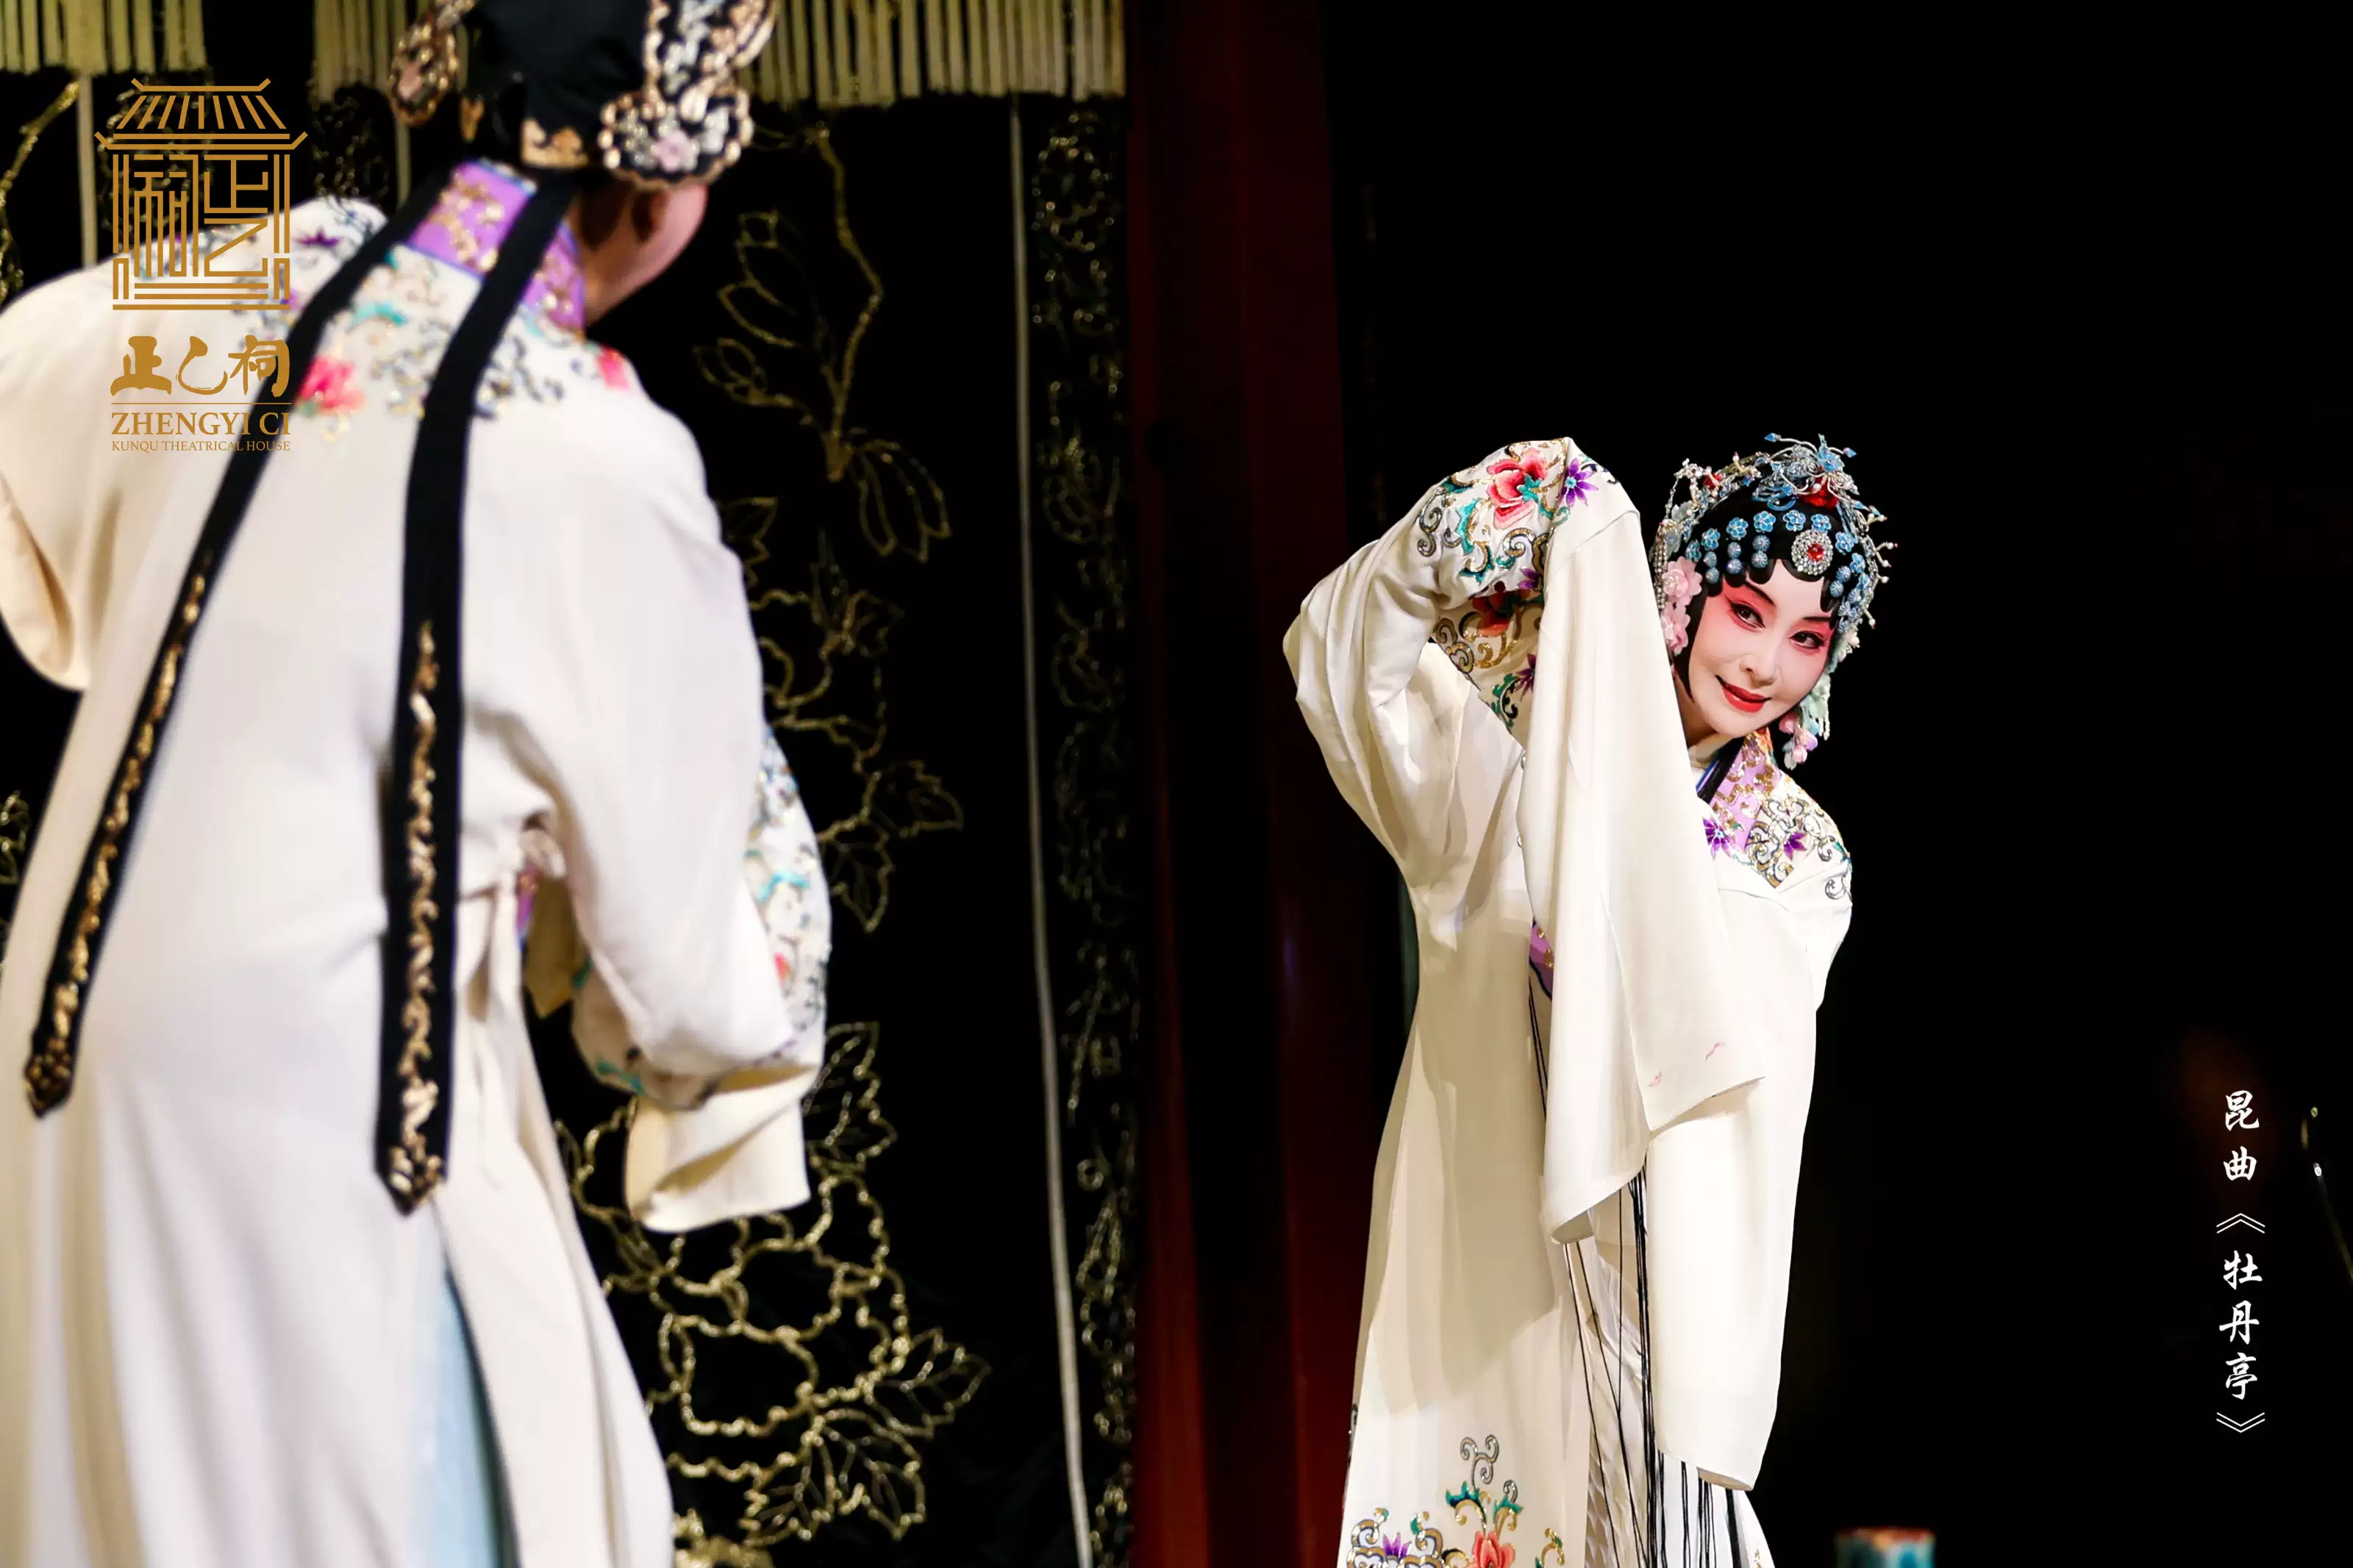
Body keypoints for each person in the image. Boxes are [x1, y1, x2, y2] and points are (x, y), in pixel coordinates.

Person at [0, 3, 830, 1566]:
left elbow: (22, 381)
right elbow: (690, 968)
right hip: (317, 1073)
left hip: (79, 1040)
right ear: (660, 182)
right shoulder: (594, 448)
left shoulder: (265, 282)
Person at [1287, 434, 1888, 1566]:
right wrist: (1492, 511)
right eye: (1746, 611)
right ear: (1682, 590)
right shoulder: (1500, 749)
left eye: (1807, 636)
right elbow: (1342, 655)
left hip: (1658, 1298)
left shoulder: (1800, 857)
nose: (1765, 662)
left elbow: (1735, 1101)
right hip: (1489, 1255)